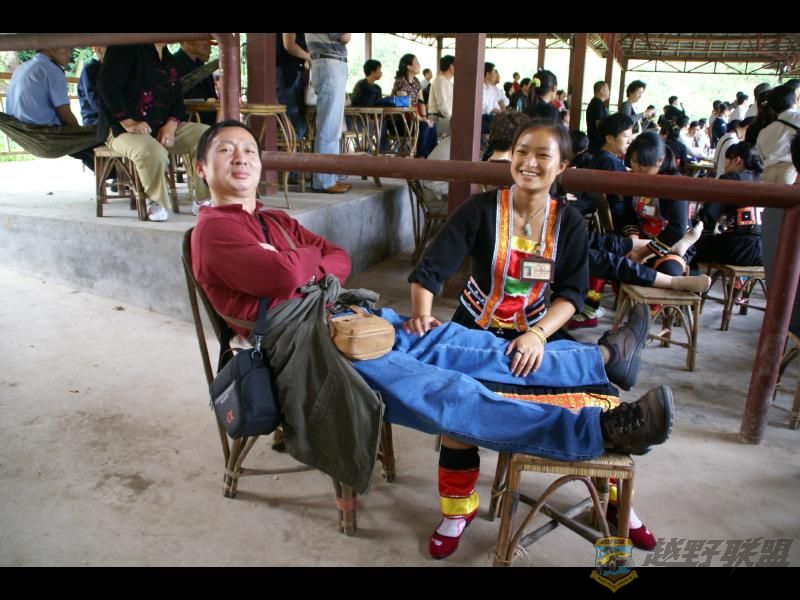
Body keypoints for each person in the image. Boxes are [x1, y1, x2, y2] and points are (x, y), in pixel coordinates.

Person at [395, 119, 673, 559]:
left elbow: (572, 294)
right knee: (457, 413)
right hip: (476, 330)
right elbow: (430, 270)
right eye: (522, 151)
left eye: (543, 155)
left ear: (562, 166)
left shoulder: (570, 223)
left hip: (540, 336)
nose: (528, 162)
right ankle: (458, 511)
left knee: (599, 402)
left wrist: (538, 335)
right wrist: (422, 315)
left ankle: (617, 503)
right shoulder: (480, 210)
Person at [97, 43, 211, 221]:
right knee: (151, 150)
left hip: (161, 126)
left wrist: (171, 125)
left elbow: (178, 101)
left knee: (207, 136)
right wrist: (127, 121)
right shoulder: (125, 47)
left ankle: (204, 199)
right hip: (121, 129)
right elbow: (106, 85)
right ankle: (156, 201)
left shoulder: (167, 57)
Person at [6, 47, 96, 170]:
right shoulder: (51, 69)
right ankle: (114, 173)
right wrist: (80, 134)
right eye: (68, 49)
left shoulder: (23, 67)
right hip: (46, 134)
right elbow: (64, 113)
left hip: (22, 133)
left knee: (88, 151)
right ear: (52, 48)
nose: (70, 54)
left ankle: (111, 173)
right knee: (104, 134)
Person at [620, 132, 692, 276]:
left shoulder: (674, 184)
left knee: (668, 271)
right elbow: (629, 215)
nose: (637, 169)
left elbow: (677, 229)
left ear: (660, 161)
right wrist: (633, 240)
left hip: (670, 243)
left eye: (644, 164)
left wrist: (642, 253)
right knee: (613, 260)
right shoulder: (632, 180)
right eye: (634, 162)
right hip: (642, 238)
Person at [692, 142, 763, 268]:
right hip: (762, 251)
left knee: (690, 247)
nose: (724, 164)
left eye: (727, 159)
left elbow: (708, 214)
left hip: (738, 249)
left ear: (737, 160)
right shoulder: (762, 181)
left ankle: (693, 279)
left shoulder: (731, 178)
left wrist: (707, 233)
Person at [306, 33, 351, 193]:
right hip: (330, 63)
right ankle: (324, 181)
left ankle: (329, 177)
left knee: (331, 125)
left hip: (326, 62)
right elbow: (345, 37)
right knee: (329, 126)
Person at [391, 53, 438, 158]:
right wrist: (421, 119)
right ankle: (420, 156)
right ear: (409, 66)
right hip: (401, 121)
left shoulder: (416, 81)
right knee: (425, 125)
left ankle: (431, 156)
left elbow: (421, 101)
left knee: (432, 125)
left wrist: (424, 117)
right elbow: (405, 107)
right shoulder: (400, 81)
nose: (419, 64)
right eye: (416, 62)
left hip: (414, 119)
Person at [756, 84, 800, 185]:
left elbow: (758, 157)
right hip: (792, 176)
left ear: (772, 109)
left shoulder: (764, 132)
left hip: (766, 177)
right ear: (795, 101)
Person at [172, 40, 218, 126]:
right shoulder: (172, 64)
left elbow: (213, 98)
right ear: (185, 41)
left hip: (208, 121)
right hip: (184, 121)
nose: (207, 43)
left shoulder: (204, 69)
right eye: (201, 38)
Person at [427, 55, 455, 136]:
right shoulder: (440, 81)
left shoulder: (447, 82)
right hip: (437, 120)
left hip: (445, 119)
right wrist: (454, 120)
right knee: (463, 127)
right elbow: (443, 106)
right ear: (451, 67)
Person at [77, 46, 105, 126]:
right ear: (98, 50)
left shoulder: (108, 70)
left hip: (108, 119)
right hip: (94, 120)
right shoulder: (90, 69)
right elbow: (95, 102)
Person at [586, 80, 610, 154]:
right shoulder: (597, 104)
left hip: (594, 140)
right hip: (596, 141)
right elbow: (599, 124)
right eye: (607, 89)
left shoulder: (596, 102)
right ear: (602, 91)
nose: (609, 91)